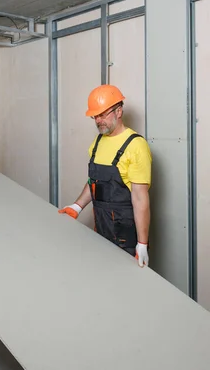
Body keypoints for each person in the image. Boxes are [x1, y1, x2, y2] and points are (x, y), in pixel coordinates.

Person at [58, 84, 152, 268]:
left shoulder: (135, 146)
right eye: (95, 116)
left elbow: (141, 199)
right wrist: (77, 206)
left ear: (119, 111)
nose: (98, 121)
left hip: (126, 238)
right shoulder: (98, 141)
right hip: (101, 230)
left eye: (103, 114)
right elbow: (94, 181)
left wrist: (142, 244)